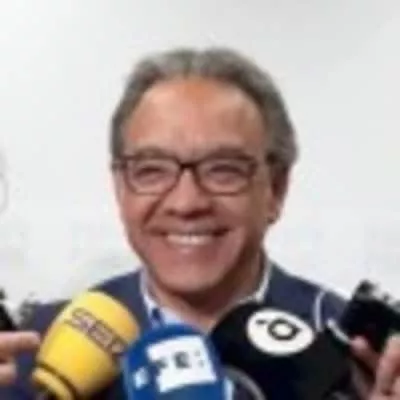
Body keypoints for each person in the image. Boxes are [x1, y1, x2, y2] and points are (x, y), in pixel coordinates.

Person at [0, 47, 399, 399]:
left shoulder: (360, 360)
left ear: (276, 189)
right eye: (152, 170)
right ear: (121, 188)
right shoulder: (32, 349)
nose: (186, 203)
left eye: (223, 170)